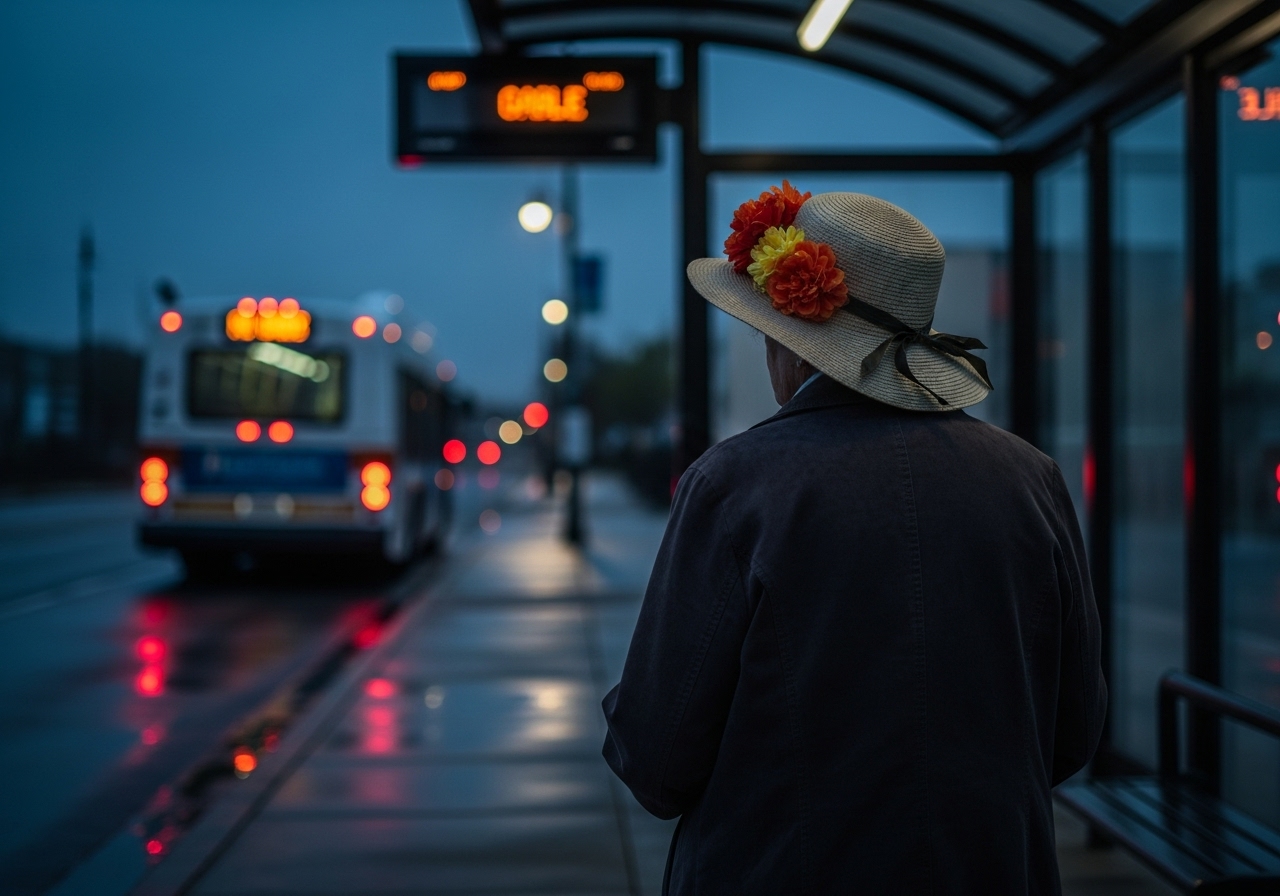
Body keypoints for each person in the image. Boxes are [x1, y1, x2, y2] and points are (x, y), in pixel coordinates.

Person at [601, 186, 1105, 894]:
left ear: (794, 344)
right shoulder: (1033, 480)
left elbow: (655, 761)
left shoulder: (734, 486)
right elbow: (1074, 730)